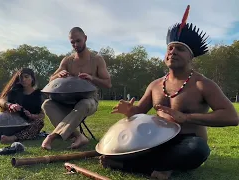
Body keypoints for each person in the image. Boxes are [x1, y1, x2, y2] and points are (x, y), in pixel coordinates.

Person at [100, 5, 239, 180]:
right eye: (170, 49)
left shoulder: (202, 84)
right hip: (157, 142)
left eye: (179, 49)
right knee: (116, 151)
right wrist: (130, 112)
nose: (173, 52)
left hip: (187, 141)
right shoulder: (155, 85)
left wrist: (187, 118)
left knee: (198, 149)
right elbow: (139, 112)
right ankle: (160, 166)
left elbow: (232, 117)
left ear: (191, 56)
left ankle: (137, 165)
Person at [41, 27, 112, 150]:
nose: (75, 45)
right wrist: (59, 75)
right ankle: (79, 136)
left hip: (89, 99)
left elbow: (108, 83)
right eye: (72, 42)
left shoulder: (97, 59)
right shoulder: (67, 60)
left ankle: (52, 137)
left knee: (83, 104)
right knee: (47, 104)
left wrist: (91, 78)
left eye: (78, 41)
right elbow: (51, 80)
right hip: (67, 100)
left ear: (85, 38)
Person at [0, 68, 45, 144]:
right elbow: (1, 101)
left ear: (32, 78)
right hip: (8, 122)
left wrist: (31, 116)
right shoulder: (14, 91)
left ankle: (12, 138)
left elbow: (42, 115)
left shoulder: (39, 95)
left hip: (25, 124)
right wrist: (10, 105)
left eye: (26, 77)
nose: (23, 79)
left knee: (39, 122)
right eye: (21, 78)